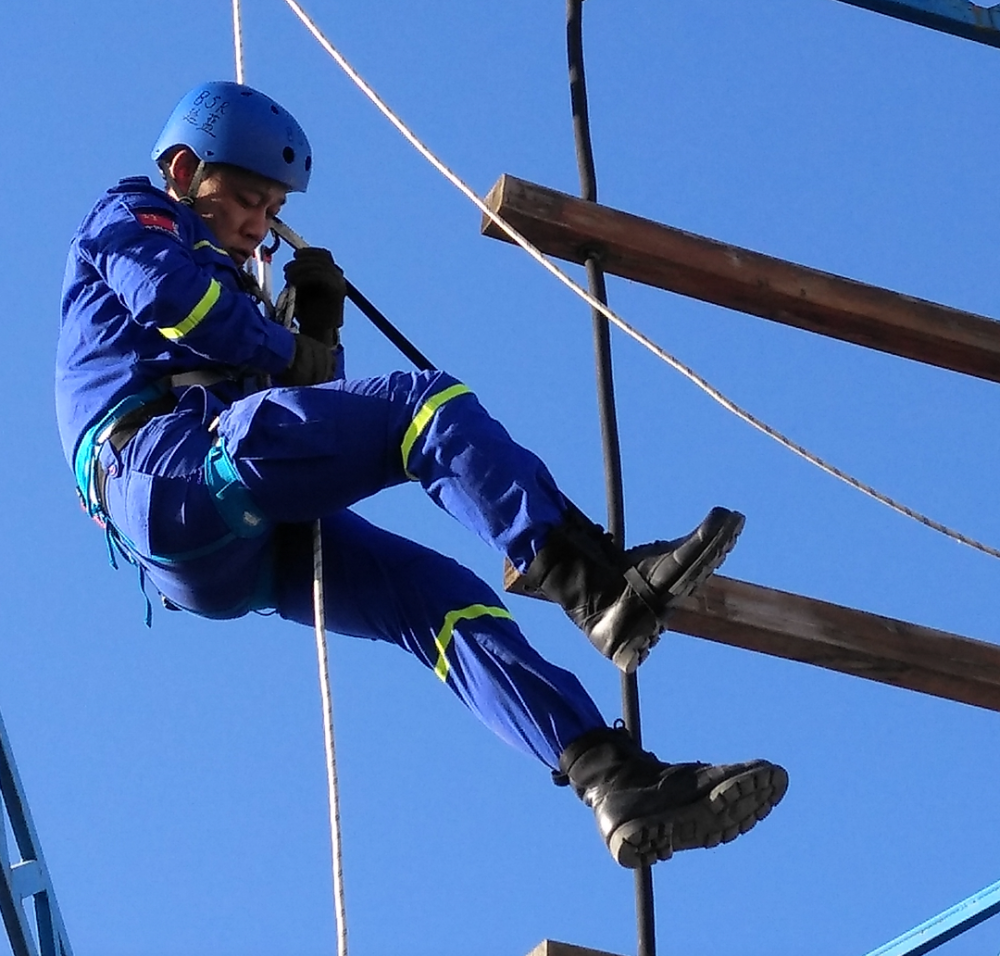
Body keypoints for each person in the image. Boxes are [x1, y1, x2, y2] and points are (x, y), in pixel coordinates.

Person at [55, 80, 787, 867]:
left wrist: (315, 327)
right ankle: (595, 582)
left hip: (220, 546)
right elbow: (175, 302)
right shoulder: (133, 216)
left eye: (271, 209)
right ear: (180, 167)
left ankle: (612, 780)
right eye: (243, 199)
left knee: (439, 602)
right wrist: (286, 346)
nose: (255, 224)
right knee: (423, 408)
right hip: (165, 471)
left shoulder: (235, 281)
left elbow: (306, 409)